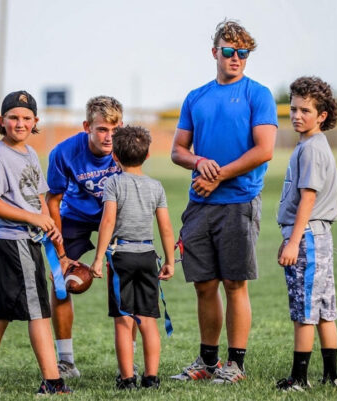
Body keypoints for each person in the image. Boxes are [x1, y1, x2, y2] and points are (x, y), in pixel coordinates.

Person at [170, 19, 278, 384]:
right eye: (229, 51)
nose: (236, 58)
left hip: (238, 201)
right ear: (214, 52)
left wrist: (217, 176)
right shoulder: (196, 96)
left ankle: (236, 364)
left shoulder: (257, 94)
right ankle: (208, 362)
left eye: (242, 53)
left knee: (234, 284)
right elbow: (178, 151)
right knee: (204, 284)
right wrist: (199, 162)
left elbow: (264, 150)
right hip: (199, 203)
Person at [0, 91, 71, 395]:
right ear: (2, 121)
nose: (20, 123)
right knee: (39, 311)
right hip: (13, 242)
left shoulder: (28, 153)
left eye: (26, 118)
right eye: (13, 117)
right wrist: (32, 218)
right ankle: (53, 381)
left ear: (35, 121)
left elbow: (39, 196)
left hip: (26, 240)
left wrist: (47, 223)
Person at [46, 96, 128, 378]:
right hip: (75, 215)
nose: (109, 137)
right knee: (59, 282)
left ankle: (126, 364)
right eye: (102, 129)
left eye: (114, 130)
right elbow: (53, 199)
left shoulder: (124, 148)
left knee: (124, 282)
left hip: (115, 214)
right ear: (87, 127)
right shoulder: (63, 152)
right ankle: (66, 361)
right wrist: (59, 251)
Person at [90, 125, 175, 390]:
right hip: (148, 256)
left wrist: (96, 259)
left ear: (114, 156)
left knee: (124, 320)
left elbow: (108, 221)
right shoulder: (156, 186)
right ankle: (151, 378)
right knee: (148, 320)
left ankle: (127, 378)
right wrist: (170, 260)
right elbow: (165, 227)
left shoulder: (113, 183)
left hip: (121, 257)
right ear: (147, 155)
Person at [275, 76, 337, 391]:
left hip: (309, 238)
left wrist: (292, 242)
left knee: (305, 309)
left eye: (306, 110)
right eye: (294, 109)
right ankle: (331, 377)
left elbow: (308, 198)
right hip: (316, 236)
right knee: (324, 308)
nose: (297, 115)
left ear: (322, 115)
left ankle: (299, 379)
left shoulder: (313, 148)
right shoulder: (309, 144)